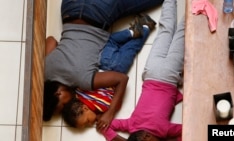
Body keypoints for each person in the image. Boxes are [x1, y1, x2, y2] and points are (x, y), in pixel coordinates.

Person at [44, 0, 164, 127]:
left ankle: (142, 27)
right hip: (69, 8)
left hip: (98, 11)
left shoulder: (82, 80)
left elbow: (121, 79)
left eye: (62, 105)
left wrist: (111, 112)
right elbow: (51, 40)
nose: (66, 106)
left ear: (58, 93)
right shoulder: (45, 70)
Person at [98, 0, 185, 140]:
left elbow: (185, 131)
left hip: (169, 75)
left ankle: (197, 7)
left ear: (146, 136)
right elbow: (106, 126)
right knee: (166, 30)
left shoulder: (162, 130)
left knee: (183, 34)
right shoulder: (131, 125)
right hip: (151, 71)